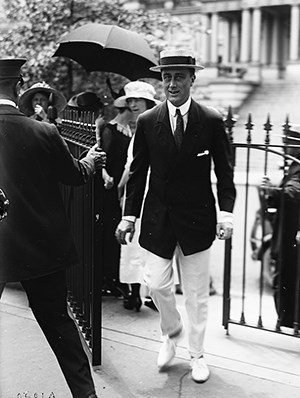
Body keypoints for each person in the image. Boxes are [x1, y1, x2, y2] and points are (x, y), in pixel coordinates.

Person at [115, 48, 236, 383]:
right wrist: (128, 217)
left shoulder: (210, 120)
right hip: (158, 219)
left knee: (196, 295)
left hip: (197, 220)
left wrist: (226, 215)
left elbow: (225, 174)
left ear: (192, 80)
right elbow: (137, 174)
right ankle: (172, 331)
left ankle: (197, 355)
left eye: (179, 77)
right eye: (166, 77)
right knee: (155, 284)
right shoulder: (147, 121)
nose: (171, 83)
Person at [0, 58, 106, 398]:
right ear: (18, 88)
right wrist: (90, 161)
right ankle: (86, 395)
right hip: (39, 247)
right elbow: (74, 175)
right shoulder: (43, 131)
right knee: (59, 323)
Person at [118, 80, 160, 312]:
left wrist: (121, 187)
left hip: (148, 190)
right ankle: (137, 293)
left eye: (137, 100)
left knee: (150, 241)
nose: (133, 104)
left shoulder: (152, 127)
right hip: (139, 191)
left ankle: (152, 293)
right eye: (130, 100)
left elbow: (132, 167)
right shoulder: (140, 129)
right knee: (134, 242)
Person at [261, 124, 300, 328]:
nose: (284, 146)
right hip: (287, 232)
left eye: (289, 142)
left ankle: (290, 322)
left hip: (291, 233)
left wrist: (273, 192)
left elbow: (294, 194)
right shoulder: (293, 166)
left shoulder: (298, 167)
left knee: (286, 278)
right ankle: (289, 321)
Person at [99, 95, 133, 297]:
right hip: (111, 189)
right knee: (110, 234)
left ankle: (117, 278)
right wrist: (107, 177)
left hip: (124, 188)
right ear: (125, 110)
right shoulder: (109, 130)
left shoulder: (128, 130)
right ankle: (108, 279)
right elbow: (103, 156)